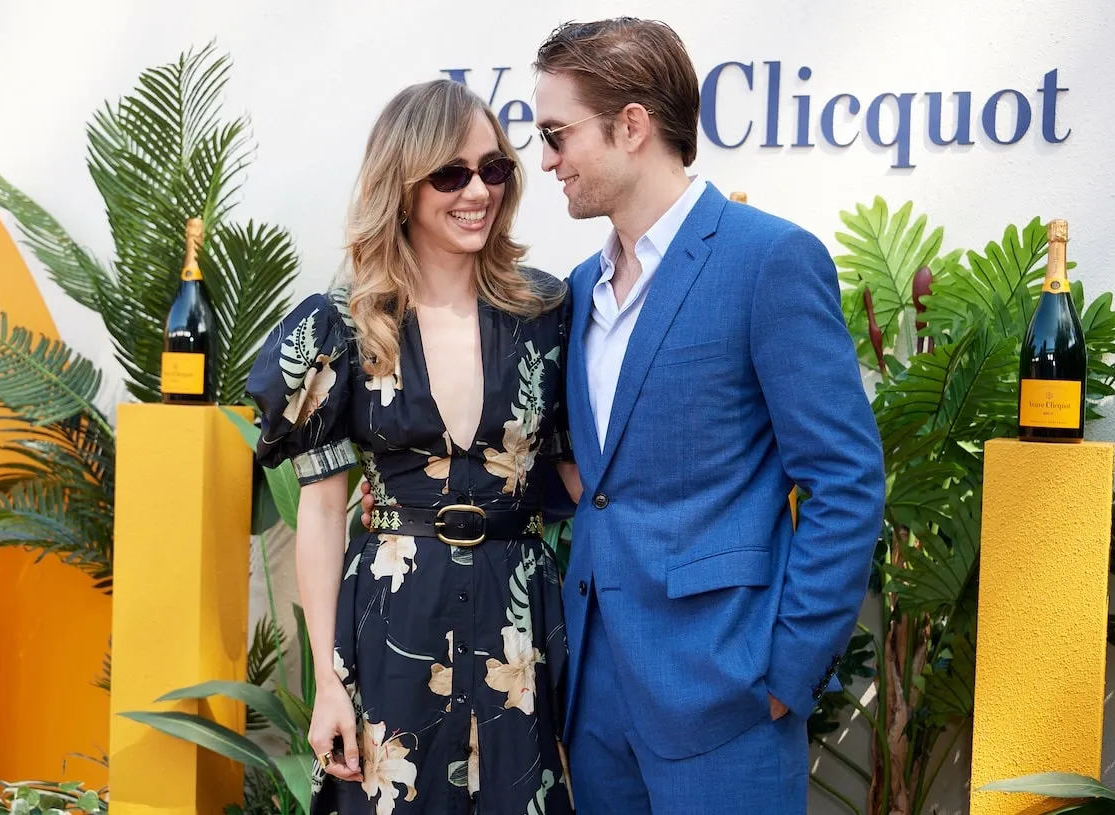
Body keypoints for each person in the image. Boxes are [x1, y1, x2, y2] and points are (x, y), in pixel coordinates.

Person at [531, 17, 886, 813]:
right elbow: (598, 478)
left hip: (728, 697)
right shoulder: (577, 290)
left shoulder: (769, 261)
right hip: (595, 702)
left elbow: (846, 481)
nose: (546, 159)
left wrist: (785, 677)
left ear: (631, 126)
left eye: (557, 134)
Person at [247, 78, 578, 815]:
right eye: (451, 173)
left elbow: (584, 476)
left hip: (518, 623)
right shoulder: (344, 323)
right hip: (394, 620)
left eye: (494, 169)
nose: (478, 191)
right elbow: (324, 512)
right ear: (402, 184)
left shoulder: (548, 311)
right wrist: (329, 682)